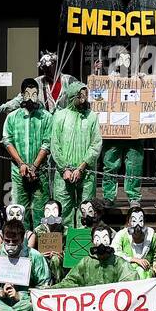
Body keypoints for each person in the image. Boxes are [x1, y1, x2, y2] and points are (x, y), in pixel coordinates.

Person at [49, 81, 102, 227]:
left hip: (86, 173)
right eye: (80, 96)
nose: (83, 100)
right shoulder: (60, 116)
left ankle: (82, 244)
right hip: (63, 174)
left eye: (85, 95)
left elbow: (96, 144)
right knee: (62, 209)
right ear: (73, 96)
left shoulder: (91, 117)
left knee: (85, 211)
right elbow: (55, 145)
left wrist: (81, 167)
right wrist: (64, 168)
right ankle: (65, 243)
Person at [4, 78, 53, 229]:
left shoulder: (46, 117)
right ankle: (21, 243)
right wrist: (21, 164)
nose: (31, 97)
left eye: (35, 93)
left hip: (40, 172)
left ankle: (40, 244)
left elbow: (47, 143)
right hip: (19, 172)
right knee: (19, 210)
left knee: (40, 210)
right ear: (22, 94)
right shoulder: (12, 117)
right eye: (28, 93)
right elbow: (7, 140)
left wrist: (34, 166)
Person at [97, 51, 145, 207]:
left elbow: (150, 95)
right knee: (110, 164)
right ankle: (109, 196)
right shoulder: (110, 78)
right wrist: (103, 78)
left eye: (128, 59)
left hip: (134, 133)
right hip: (114, 133)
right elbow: (97, 95)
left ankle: (134, 197)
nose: (125, 62)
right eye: (122, 59)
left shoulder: (138, 78)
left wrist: (144, 81)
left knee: (134, 165)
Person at [0, 49, 77, 116]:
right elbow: (20, 99)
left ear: (56, 65)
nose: (46, 71)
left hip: (65, 125)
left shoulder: (69, 81)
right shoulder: (38, 83)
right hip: (45, 125)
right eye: (44, 68)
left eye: (49, 67)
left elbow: (82, 95)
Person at [58, 224, 143, 286]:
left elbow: (131, 278)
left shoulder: (118, 262)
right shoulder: (85, 262)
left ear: (110, 240)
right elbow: (70, 281)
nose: (101, 242)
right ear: (92, 241)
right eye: (97, 239)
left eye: (105, 238)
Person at [113, 206, 156, 277]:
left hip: (147, 273)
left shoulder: (152, 236)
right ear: (128, 222)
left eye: (140, 221)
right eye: (134, 221)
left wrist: (155, 270)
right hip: (126, 272)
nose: (138, 226)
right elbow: (115, 252)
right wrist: (134, 260)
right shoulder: (121, 235)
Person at [34, 201, 68, 283]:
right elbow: (32, 251)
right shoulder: (37, 231)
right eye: (47, 210)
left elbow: (70, 251)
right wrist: (40, 255)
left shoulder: (65, 230)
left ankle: (58, 284)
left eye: (54, 210)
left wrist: (62, 253)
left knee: (55, 259)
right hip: (42, 259)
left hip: (59, 261)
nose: (51, 214)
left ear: (60, 213)